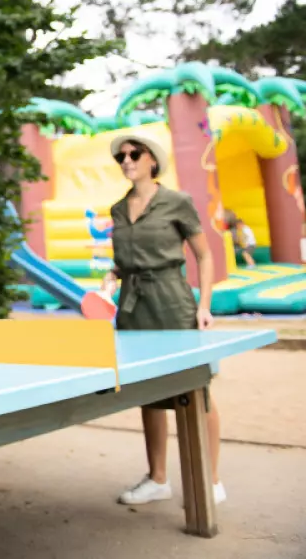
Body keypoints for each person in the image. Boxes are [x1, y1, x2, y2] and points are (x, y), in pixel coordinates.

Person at [101, 133, 225, 508]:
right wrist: (112, 276)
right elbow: (125, 261)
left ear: (152, 160)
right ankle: (157, 479)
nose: (126, 160)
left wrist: (204, 305)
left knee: (197, 389)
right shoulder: (117, 210)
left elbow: (204, 256)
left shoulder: (177, 202)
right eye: (121, 156)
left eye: (134, 153)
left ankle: (212, 480)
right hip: (132, 307)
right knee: (149, 392)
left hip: (172, 302)